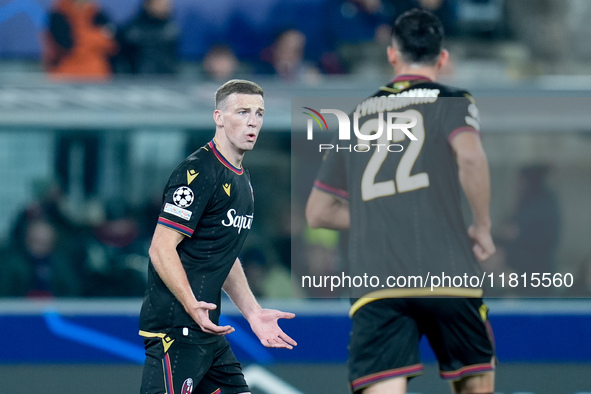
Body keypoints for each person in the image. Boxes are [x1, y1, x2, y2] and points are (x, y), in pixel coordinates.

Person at [306, 9, 495, 394]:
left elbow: (318, 212)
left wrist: (380, 215)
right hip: (447, 270)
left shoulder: (357, 117)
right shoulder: (452, 100)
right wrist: (482, 225)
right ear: (442, 59)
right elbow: (471, 156)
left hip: (378, 276)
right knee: (476, 380)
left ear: (392, 55)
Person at [139, 79, 296, 394]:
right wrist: (190, 302)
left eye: (259, 113)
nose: (253, 121)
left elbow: (222, 254)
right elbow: (160, 248)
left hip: (208, 331)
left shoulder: (241, 179)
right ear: (219, 117)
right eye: (242, 111)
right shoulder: (198, 172)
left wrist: (252, 312)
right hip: (178, 328)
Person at [43, 0, 117, 80]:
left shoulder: (99, 15)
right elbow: (67, 45)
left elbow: (113, 45)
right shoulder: (57, 16)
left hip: (100, 75)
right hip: (65, 75)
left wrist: (81, 38)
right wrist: (98, 38)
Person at [115, 0, 180, 75]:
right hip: (138, 80)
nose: (165, 7)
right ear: (147, 5)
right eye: (160, 4)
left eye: (167, 4)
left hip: (167, 79)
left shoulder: (171, 29)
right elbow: (122, 61)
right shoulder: (132, 30)